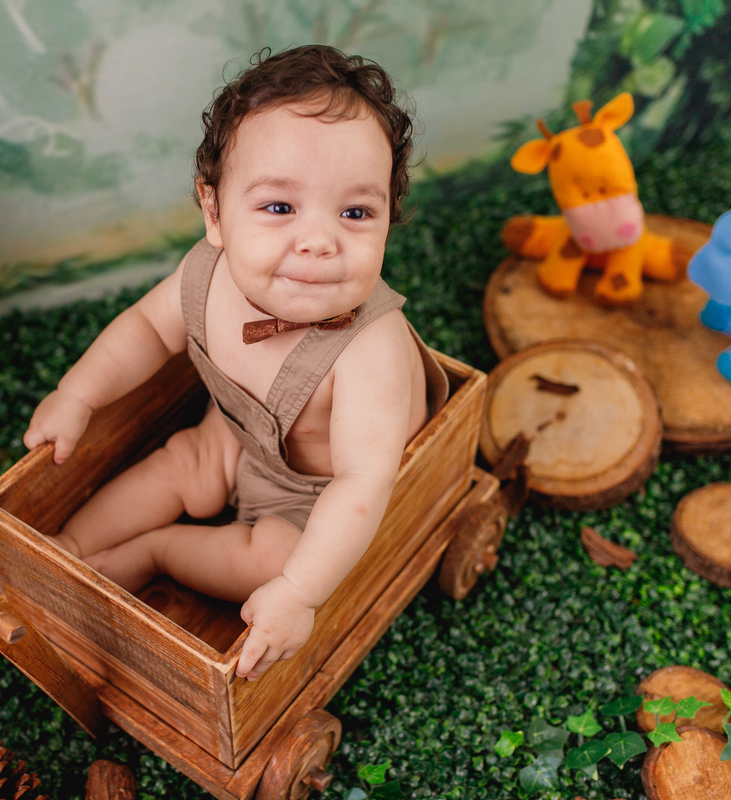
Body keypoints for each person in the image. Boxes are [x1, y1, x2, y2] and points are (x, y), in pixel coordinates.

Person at [23, 44, 448, 681]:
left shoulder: (370, 349)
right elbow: (143, 329)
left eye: (356, 212)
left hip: (312, 495)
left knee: (274, 558)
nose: (319, 239)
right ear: (214, 211)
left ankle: (158, 551)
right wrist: (77, 394)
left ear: (388, 218)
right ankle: (69, 554)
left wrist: (301, 593)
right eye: (279, 207)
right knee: (179, 461)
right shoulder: (208, 273)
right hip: (236, 434)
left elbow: (362, 482)